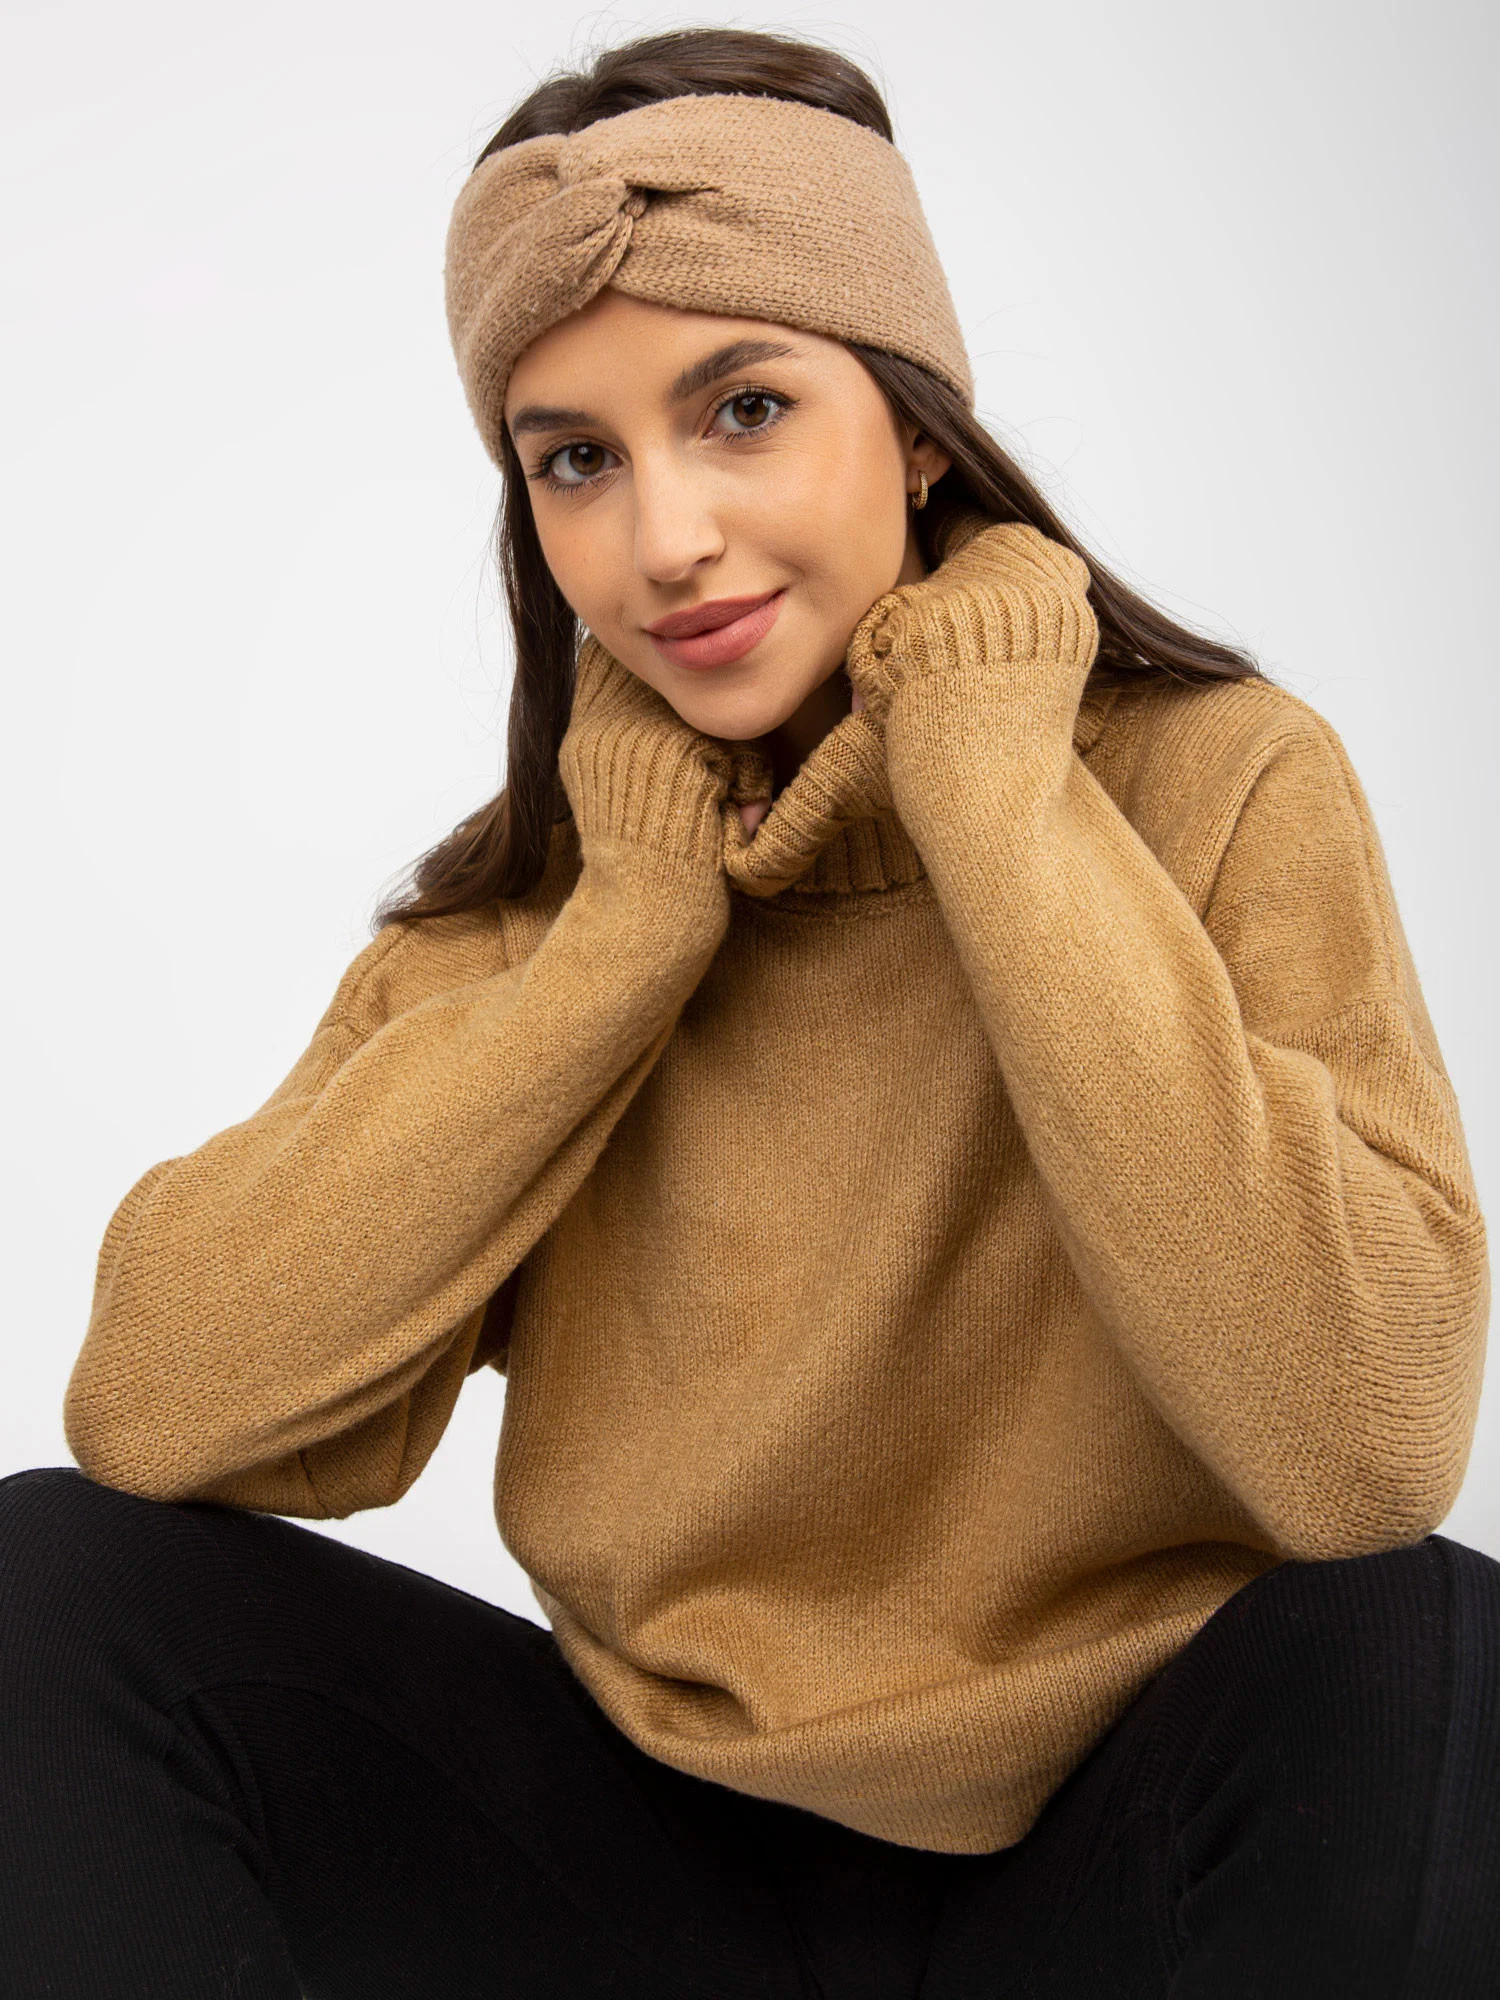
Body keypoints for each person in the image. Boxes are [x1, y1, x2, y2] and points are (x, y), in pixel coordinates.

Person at [3, 25, 1494, 1999]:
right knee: (49, 1585)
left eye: (746, 409)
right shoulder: (547, 901)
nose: (665, 541)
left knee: (1415, 1636)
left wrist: (994, 804)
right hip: (642, 1879)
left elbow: (1368, 1445)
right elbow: (157, 1405)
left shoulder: (1217, 780)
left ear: (921, 427)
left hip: (1115, 1871)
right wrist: (629, 931)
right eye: (576, 460)